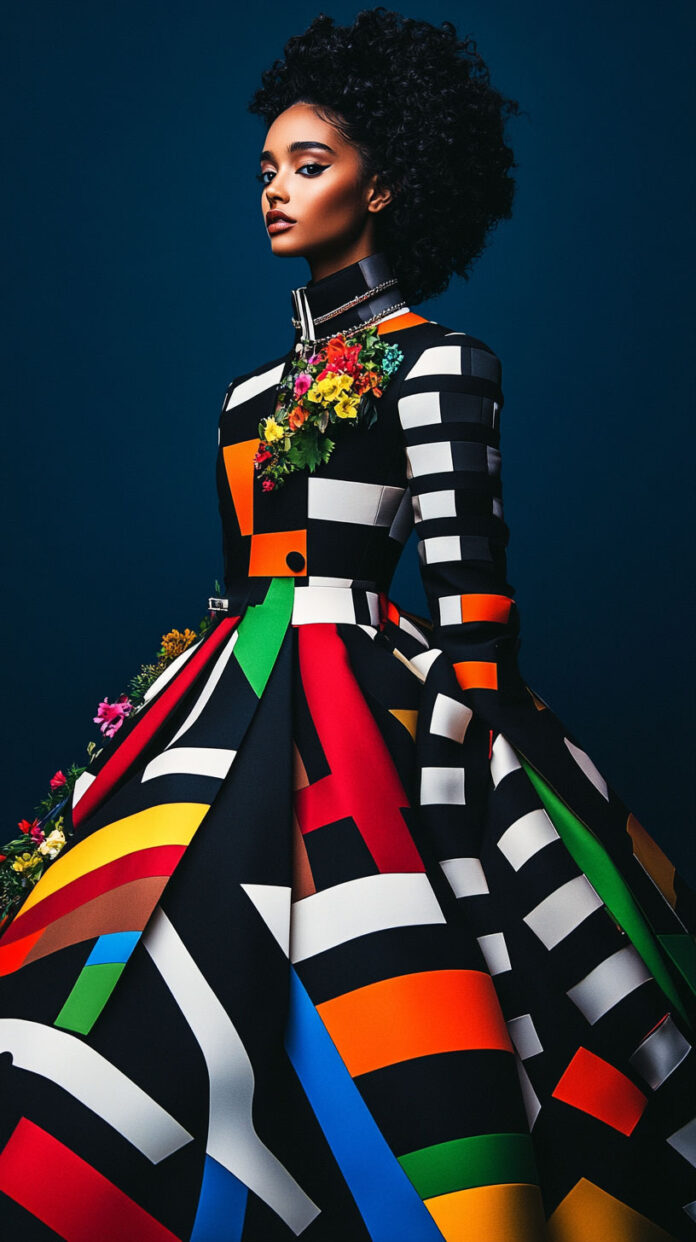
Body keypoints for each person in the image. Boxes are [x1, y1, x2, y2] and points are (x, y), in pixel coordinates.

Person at [0, 8, 693, 1240]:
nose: (275, 189)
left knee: (430, 965)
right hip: (234, 685)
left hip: (378, 704)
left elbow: (472, 594)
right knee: (158, 945)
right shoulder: (245, 398)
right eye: (267, 167)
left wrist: (472, 762)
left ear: (384, 184)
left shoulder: (442, 364)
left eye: (308, 164)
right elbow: (240, 584)